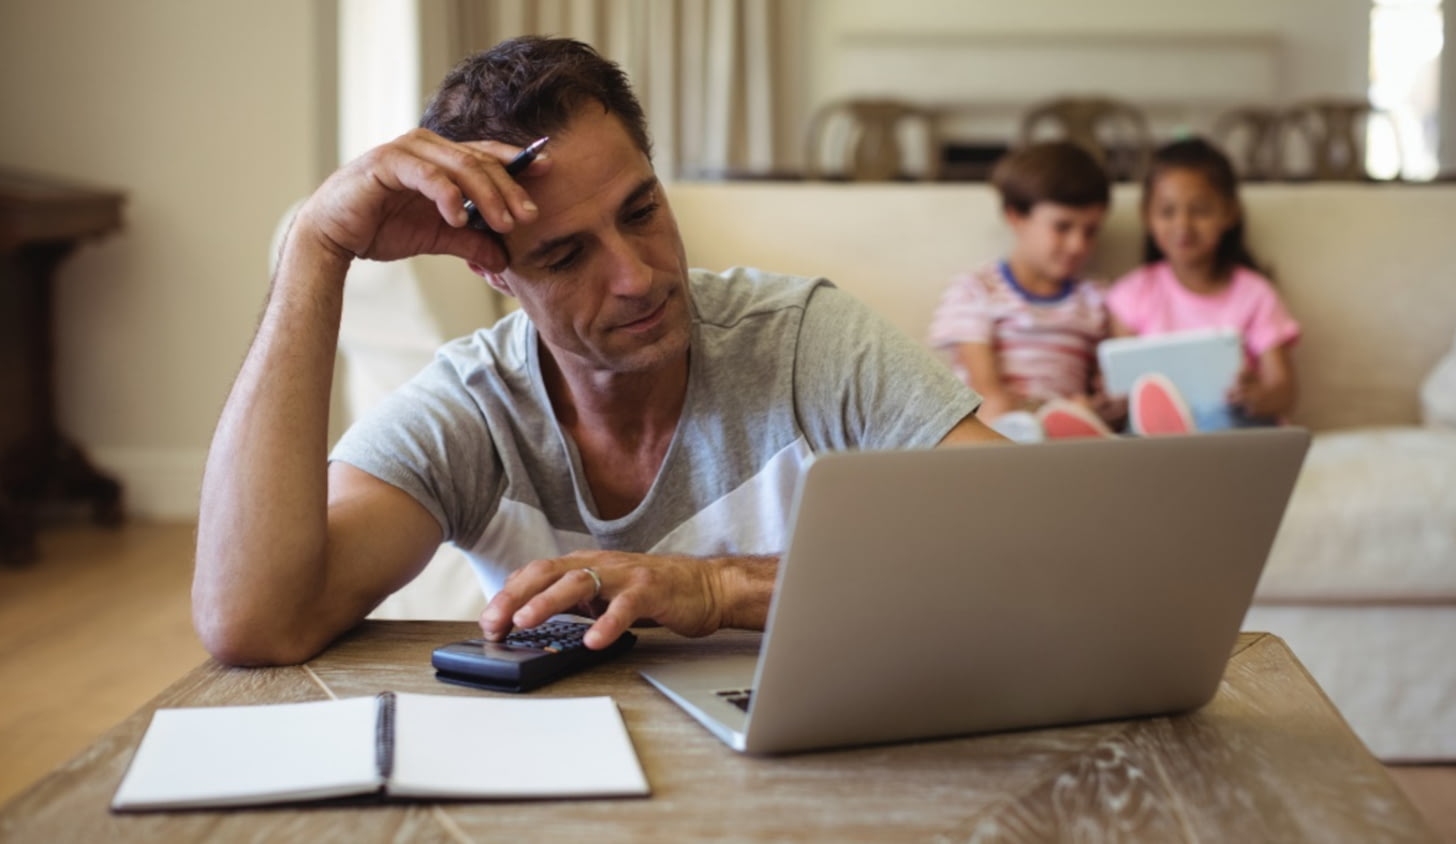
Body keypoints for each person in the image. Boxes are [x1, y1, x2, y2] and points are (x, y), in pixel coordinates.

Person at [192, 36, 1000, 667]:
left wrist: (719, 588)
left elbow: (1030, 543)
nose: (636, 276)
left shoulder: (804, 342)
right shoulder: (474, 408)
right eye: (565, 256)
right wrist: (315, 246)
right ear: (494, 271)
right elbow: (256, 620)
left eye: (642, 210)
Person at [927, 141, 1120, 442]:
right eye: (1063, 227)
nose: (1078, 245)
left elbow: (1104, 382)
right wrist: (1039, 413)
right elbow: (986, 391)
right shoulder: (976, 291)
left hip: (1069, 427)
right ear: (1016, 216)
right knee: (994, 411)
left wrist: (1096, 405)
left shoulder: (1096, 298)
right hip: (997, 423)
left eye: (1090, 231)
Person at [1106, 137, 1301, 434]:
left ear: (1229, 213)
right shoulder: (1132, 294)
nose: (1183, 225)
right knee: (1135, 426)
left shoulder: (1255, 294)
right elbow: (1122, 386)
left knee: (1220, 414)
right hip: (1157, 436)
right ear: (1147, 215)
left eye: (1200, 210)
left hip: (1233, 426)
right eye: (1167, 211)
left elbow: (1284, 391)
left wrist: (1257, 396)